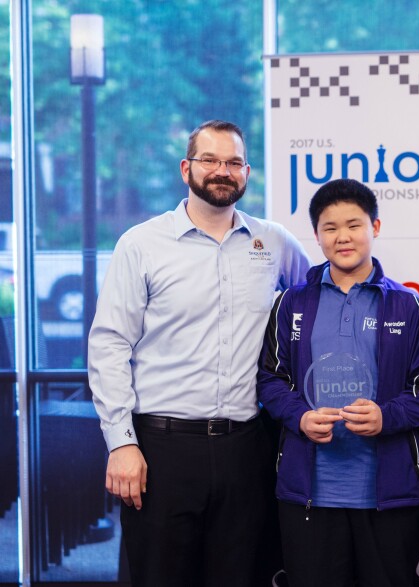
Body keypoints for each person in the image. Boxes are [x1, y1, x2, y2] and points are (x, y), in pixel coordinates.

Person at [88, 119, 311, 586]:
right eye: (210, 160)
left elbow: (317, 299)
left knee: (240, 576)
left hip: (246, 447)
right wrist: (122, 443)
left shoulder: (272, 243)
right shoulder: (141, 244)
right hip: (161, 449)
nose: (222, 171)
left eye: (233, 162)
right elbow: (110, 345)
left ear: (247, 172)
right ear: (186, 168)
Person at [256, 178, 419, 586]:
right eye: (330, 227)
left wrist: (387, 417)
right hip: (308, 492)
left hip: (387, 493)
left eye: (354, 224)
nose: (343, 236)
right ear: (317, 236)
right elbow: (270, 379)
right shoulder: (292, 302)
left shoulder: (407, 304)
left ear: (374, 228)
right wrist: (300, 417)